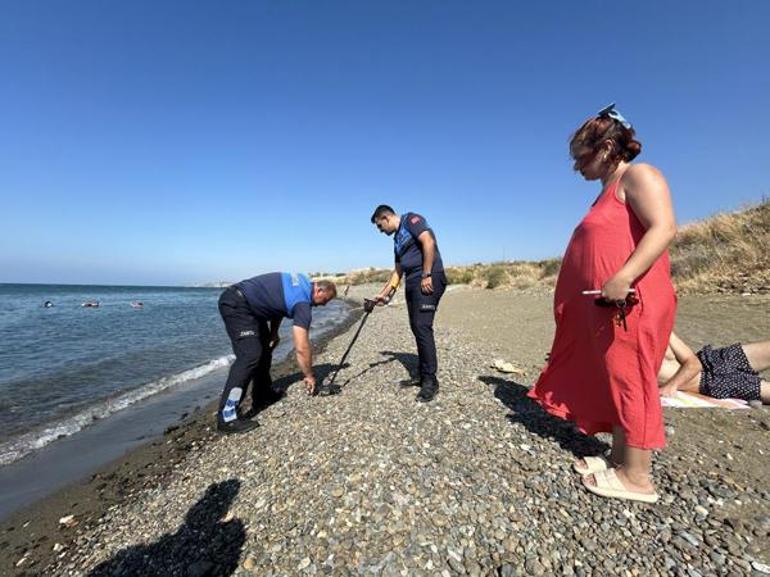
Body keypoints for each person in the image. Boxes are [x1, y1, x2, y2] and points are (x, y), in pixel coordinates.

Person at [528, 104, 677, 503]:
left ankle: (638, 477)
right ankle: (619, 459)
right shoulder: (606, 191)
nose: (576, 167)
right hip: (607, 307)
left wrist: (624, 276)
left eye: (581, 157)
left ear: (608, 147)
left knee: (632, 379)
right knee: (615, 377)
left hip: (630, 302)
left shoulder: (640, 176)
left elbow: (664, 227)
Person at [216, 272, 337, 434]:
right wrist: (309, 375)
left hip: (250, 308)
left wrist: (273, 332)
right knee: (250, 355)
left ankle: (262, 395)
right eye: (325, 301)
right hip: (237, 304)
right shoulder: (303, 303)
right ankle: (226, 418)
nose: (323, 305)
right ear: (319, 291)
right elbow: (301, 347)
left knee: (264, 350)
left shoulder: (302, 283)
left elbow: (278, 304)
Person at [370, 205, 447, 402]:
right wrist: (384, 294)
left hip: (428, 278)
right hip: (412, 281)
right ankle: (422, 375)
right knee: (416, 327)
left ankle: (430, 381)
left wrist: (427, 273)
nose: (380, 231)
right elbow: (397, 272)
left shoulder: (412, 220)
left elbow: (428, 242)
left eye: (380, 226)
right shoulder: (397, 240)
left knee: (422, 327)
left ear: (386, 217)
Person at [658, 332, 769, 403]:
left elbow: (694, 363)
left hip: (711, 359)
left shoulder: (657, 326)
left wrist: (672, 386)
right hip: (710, 383)